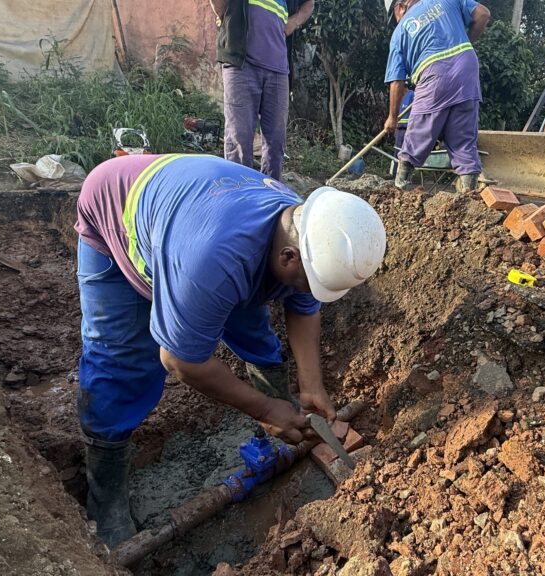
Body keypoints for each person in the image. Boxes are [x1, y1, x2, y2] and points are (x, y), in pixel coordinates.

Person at [73, 154, 387, 546]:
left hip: (195, 212)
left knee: (255, 330)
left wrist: (312, 387)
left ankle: (283, 415)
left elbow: (303, 305)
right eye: (309, 282)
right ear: (288, 258)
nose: (308, 292)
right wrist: (265, 410)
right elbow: (180, 360)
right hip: (116, 213)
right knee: (122, 363)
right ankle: (106, 499)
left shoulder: (300, 226)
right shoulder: (212, 261)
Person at [383, 0, 491, 192]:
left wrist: (392, 117)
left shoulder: (400, 33)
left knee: (420, 128)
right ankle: (467, 195)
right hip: (466, 68)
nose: (397, 21)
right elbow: (483, 14)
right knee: (463, 137)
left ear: (400, 6)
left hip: (433, 74)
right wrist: (467, 42)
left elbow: (397, 82)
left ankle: (400, 189)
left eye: (395, 17)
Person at [211, 0, 316, 180]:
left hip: (278, 70)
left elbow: (309, 3)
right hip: (241, 64)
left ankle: (270, 196)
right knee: (239, 136)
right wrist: (227, 17)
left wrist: (294, 21)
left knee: (276, 141)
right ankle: (239, 196)